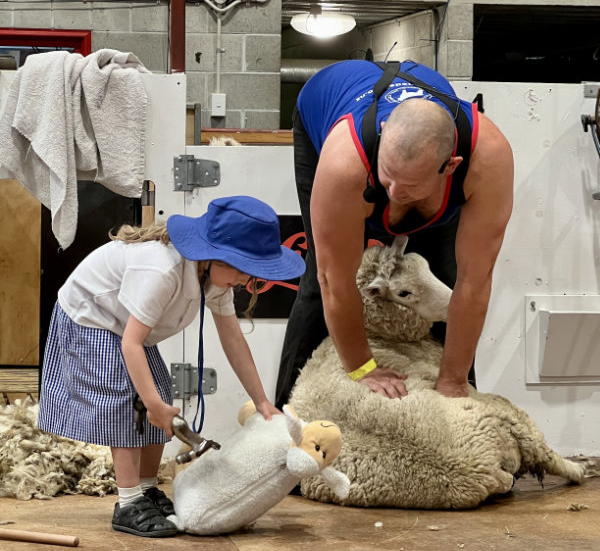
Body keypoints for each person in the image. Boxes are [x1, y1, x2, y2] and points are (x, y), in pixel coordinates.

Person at [38, 195, 305, 538]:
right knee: (128, 403)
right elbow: (130, 343)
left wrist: (262, 402)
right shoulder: (162, 270)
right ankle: (129, 501)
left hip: (124, 326)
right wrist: (150, 406)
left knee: (161, 394)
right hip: (91, 317)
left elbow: (233, 338)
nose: (243, 279)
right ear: (210, 255)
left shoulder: (215, 278)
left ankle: (148, 489)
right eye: (240, 268)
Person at [276, 59, 513, 408]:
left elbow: (474, 282)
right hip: (328, 96)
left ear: (451, 167)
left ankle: (461, 409)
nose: (394, 192)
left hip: (420, 132)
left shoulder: (488, 158)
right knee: (316, 279)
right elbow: (334, 281)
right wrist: (363, 369)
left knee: (444, 276)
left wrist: (453, 380)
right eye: (388, 175)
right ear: (384, 130)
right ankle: (284, 417)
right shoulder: (345, 161)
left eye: (410, 186)